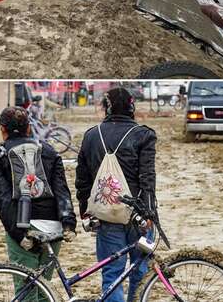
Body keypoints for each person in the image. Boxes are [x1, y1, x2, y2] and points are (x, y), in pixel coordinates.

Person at [75, 87, 156, 302]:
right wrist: (150, 213)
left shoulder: (92, 135)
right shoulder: (143, 135)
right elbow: (148, 178)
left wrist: (85, 209)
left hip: (106, 212)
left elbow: (82, 179)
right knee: (140, 273)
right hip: (138, 214)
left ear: (106, 107)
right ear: (132, 107)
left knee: (112, 274)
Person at [0, 106, 76, 292]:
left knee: (26, 289)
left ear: (3, 130)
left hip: (24, 226)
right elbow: (62, 190)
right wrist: (68, 223)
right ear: (29, 127)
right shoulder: (49, 151)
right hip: (54, 227)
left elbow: (3, 200)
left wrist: (19, 235)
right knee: (45, 288)